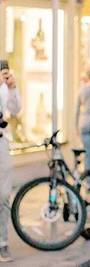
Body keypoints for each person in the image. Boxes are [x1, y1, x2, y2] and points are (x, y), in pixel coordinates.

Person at [0, 65, 20, 263]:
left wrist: (12, 88)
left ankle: (2, 242)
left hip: (1, 143)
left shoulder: (5, 86)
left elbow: (15, 109)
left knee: (4, 194)